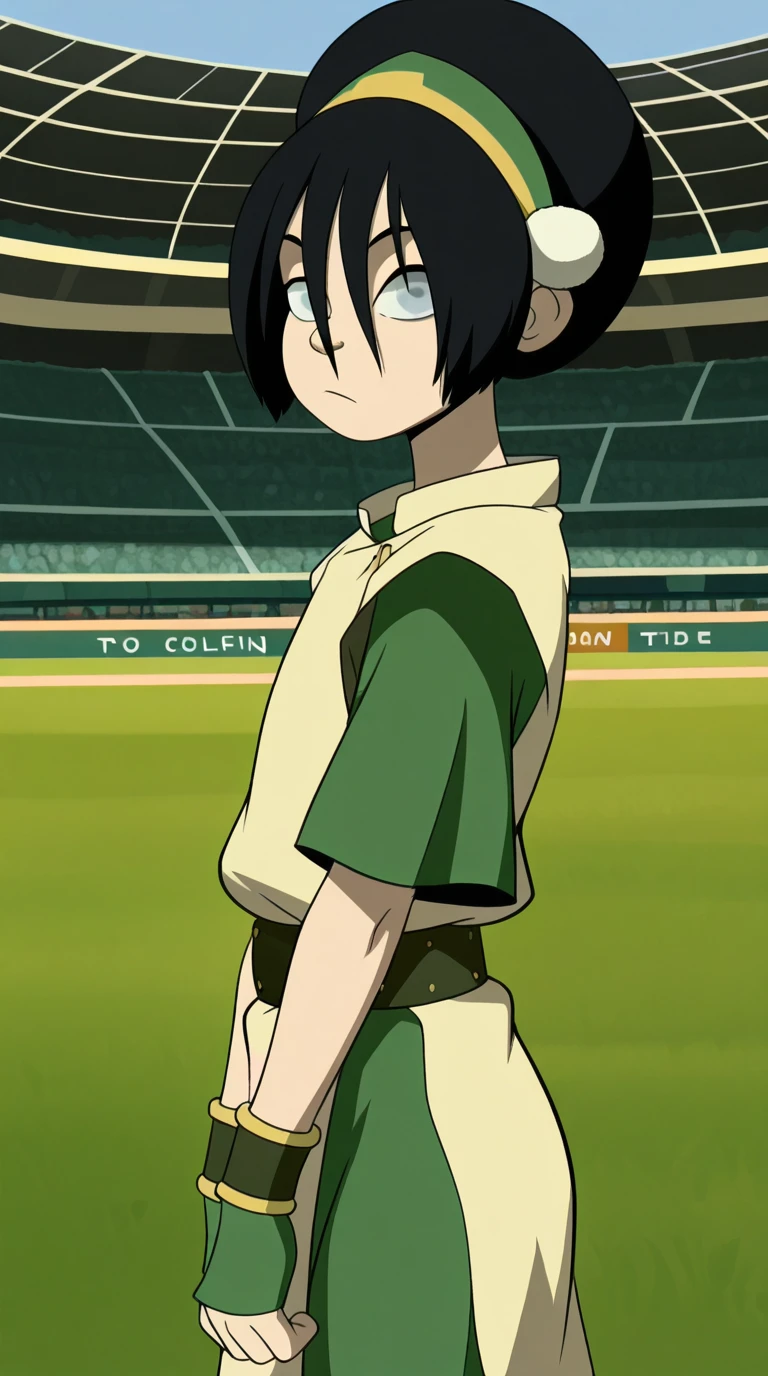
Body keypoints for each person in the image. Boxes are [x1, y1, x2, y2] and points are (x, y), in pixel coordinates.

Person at [192, 3, 653, 1371]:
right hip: (359, 1075)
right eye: (303, 286)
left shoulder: (451, 594)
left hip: (402, 1121)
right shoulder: (416, 547)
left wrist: (249, 1205)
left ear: (538, 300)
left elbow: (361, 908)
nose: (334, 333)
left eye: (399, 284)